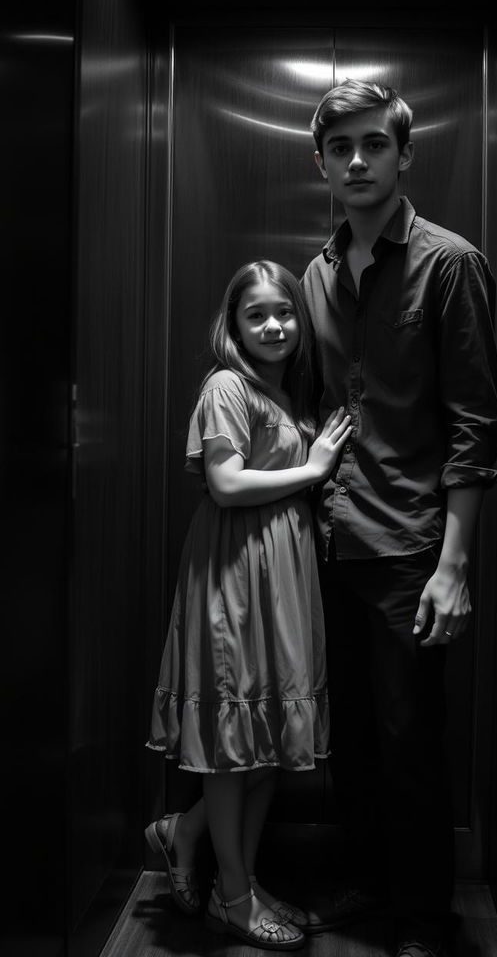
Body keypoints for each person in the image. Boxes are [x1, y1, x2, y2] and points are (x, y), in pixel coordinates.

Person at [301, 80, 497, 957]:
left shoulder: (449, 262)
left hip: (413, 547)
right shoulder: (314, 272)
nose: (357, 160)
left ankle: (424, 916)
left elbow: (475, 425)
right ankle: (369, 882)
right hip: (328, 538)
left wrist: (454, 567)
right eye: (340, 146)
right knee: (347, 731)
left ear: (403, 154)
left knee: (410, 738)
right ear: (321, 162)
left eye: (374, 145)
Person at [144, 260, 351, 951]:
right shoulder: (227, 384)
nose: (273, 325)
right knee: (237, 748)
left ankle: (219, 858)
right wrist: (316, 467)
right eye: (256, 313)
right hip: (235, 573)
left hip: (279, 575)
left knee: (264, 745)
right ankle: (232, 898)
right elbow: (227, 483)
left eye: (285, 312)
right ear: (232, 324)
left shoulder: (278, 390)